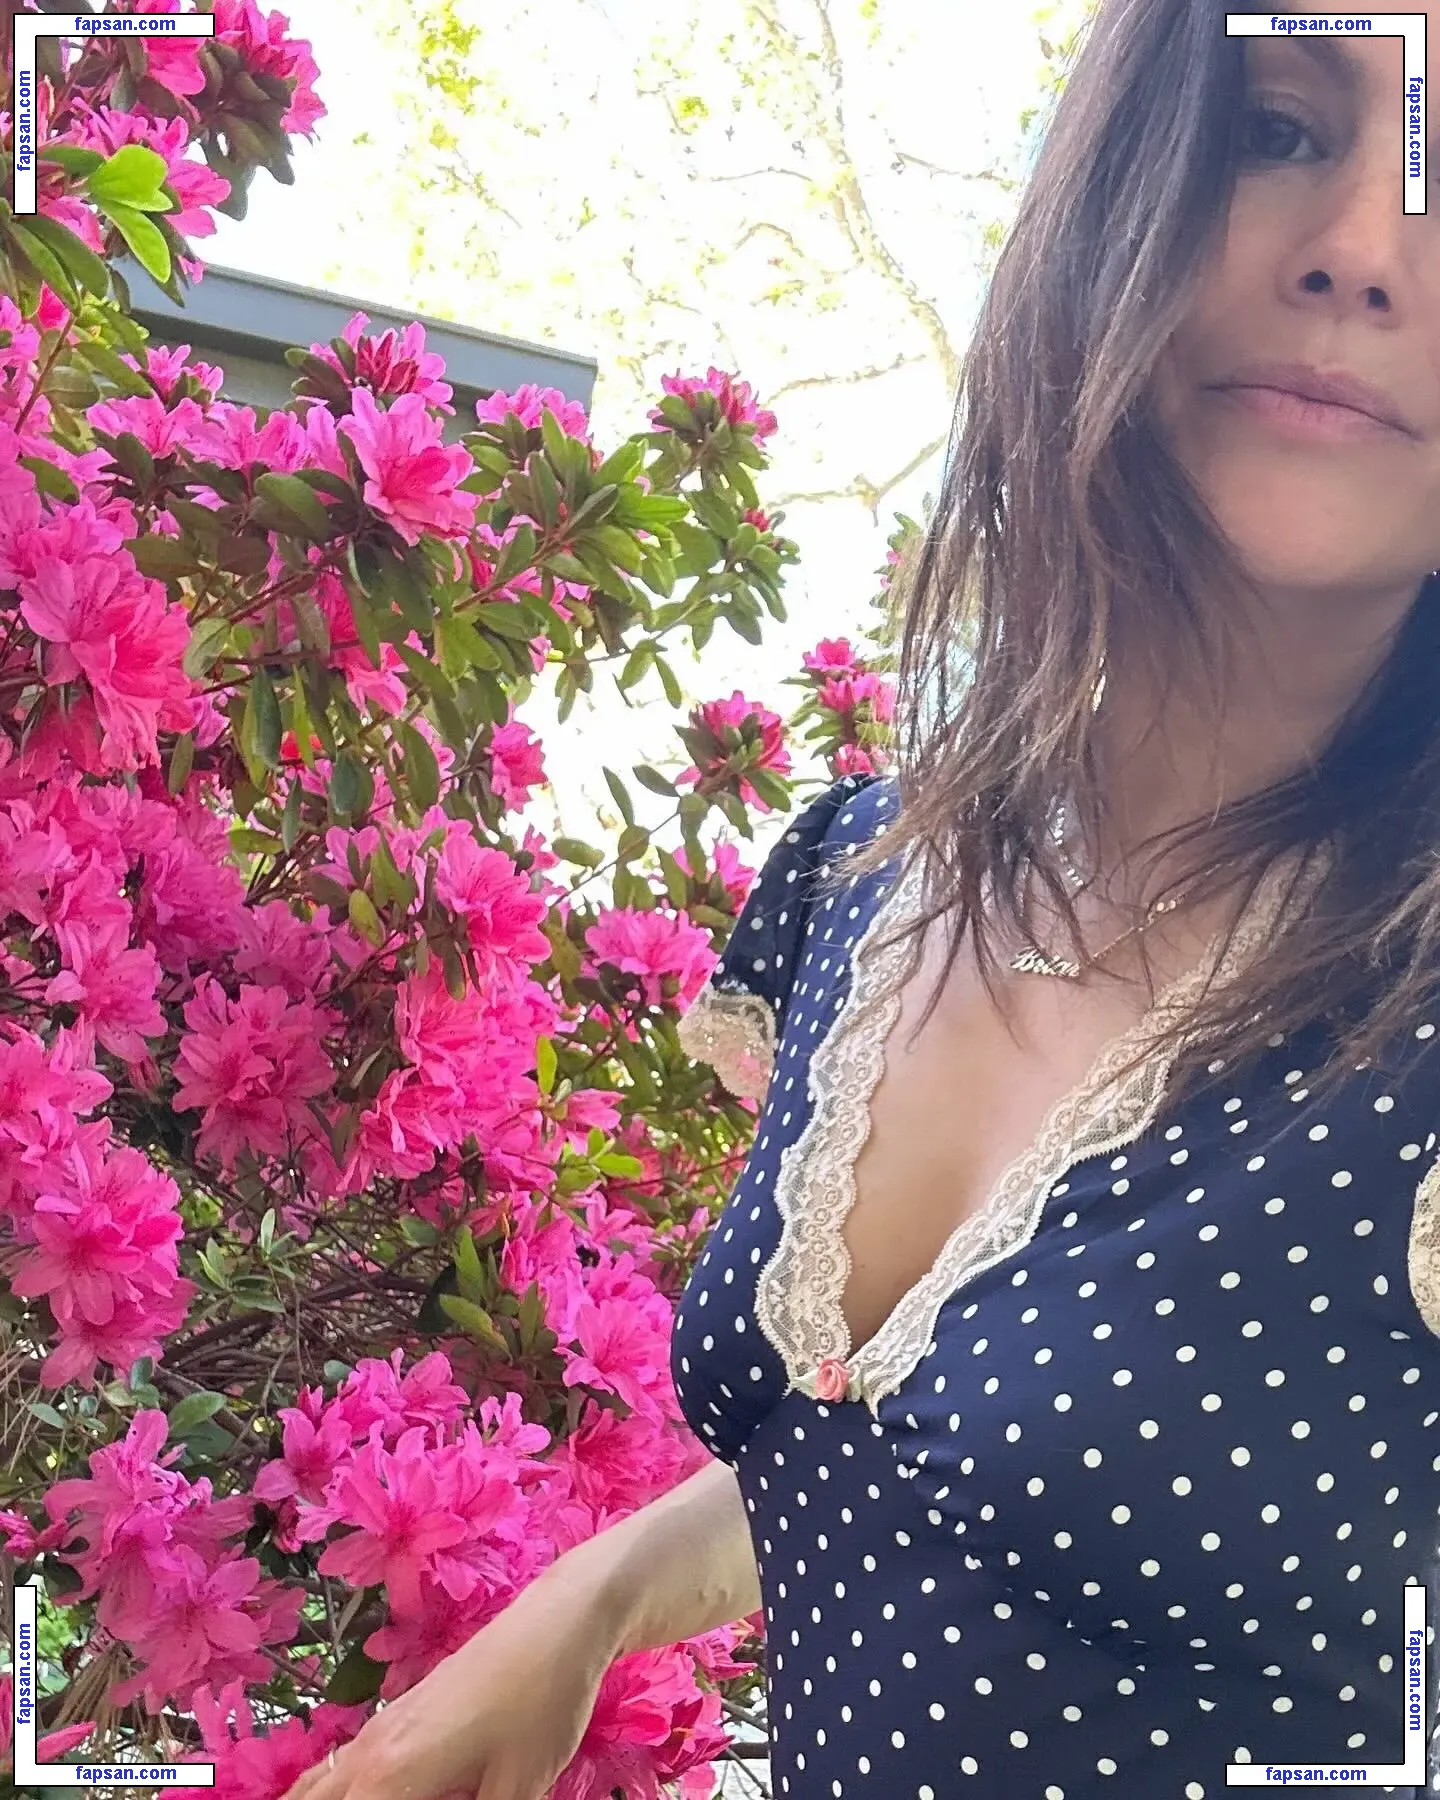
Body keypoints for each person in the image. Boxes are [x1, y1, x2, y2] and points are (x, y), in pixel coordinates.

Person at [282, 0, 1440, 1795]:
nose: (1362, 249)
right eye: (1280, 129)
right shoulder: (864, 873)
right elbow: (887, 1462)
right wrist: (590, 1600)